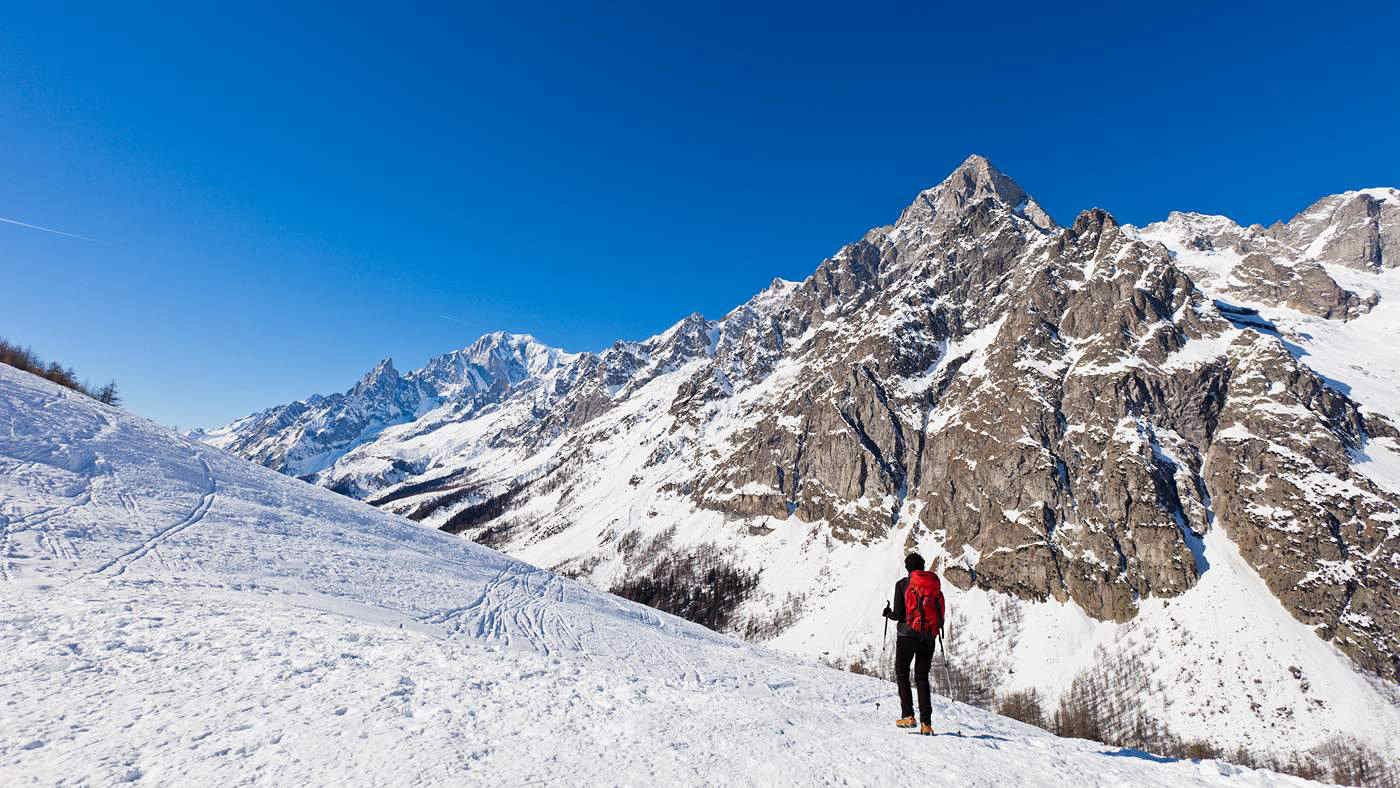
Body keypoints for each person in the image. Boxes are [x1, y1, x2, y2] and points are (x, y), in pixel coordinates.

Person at [882, 552, 944, 735]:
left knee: (902, 673)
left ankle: (908, 715)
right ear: (923, 567)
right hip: (928, 637)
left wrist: (887, 613)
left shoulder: (902, 584)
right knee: (922, 678)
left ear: (907, 568)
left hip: (907, 636)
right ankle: (927, 724)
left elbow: (900, 614)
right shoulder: (933, 585)